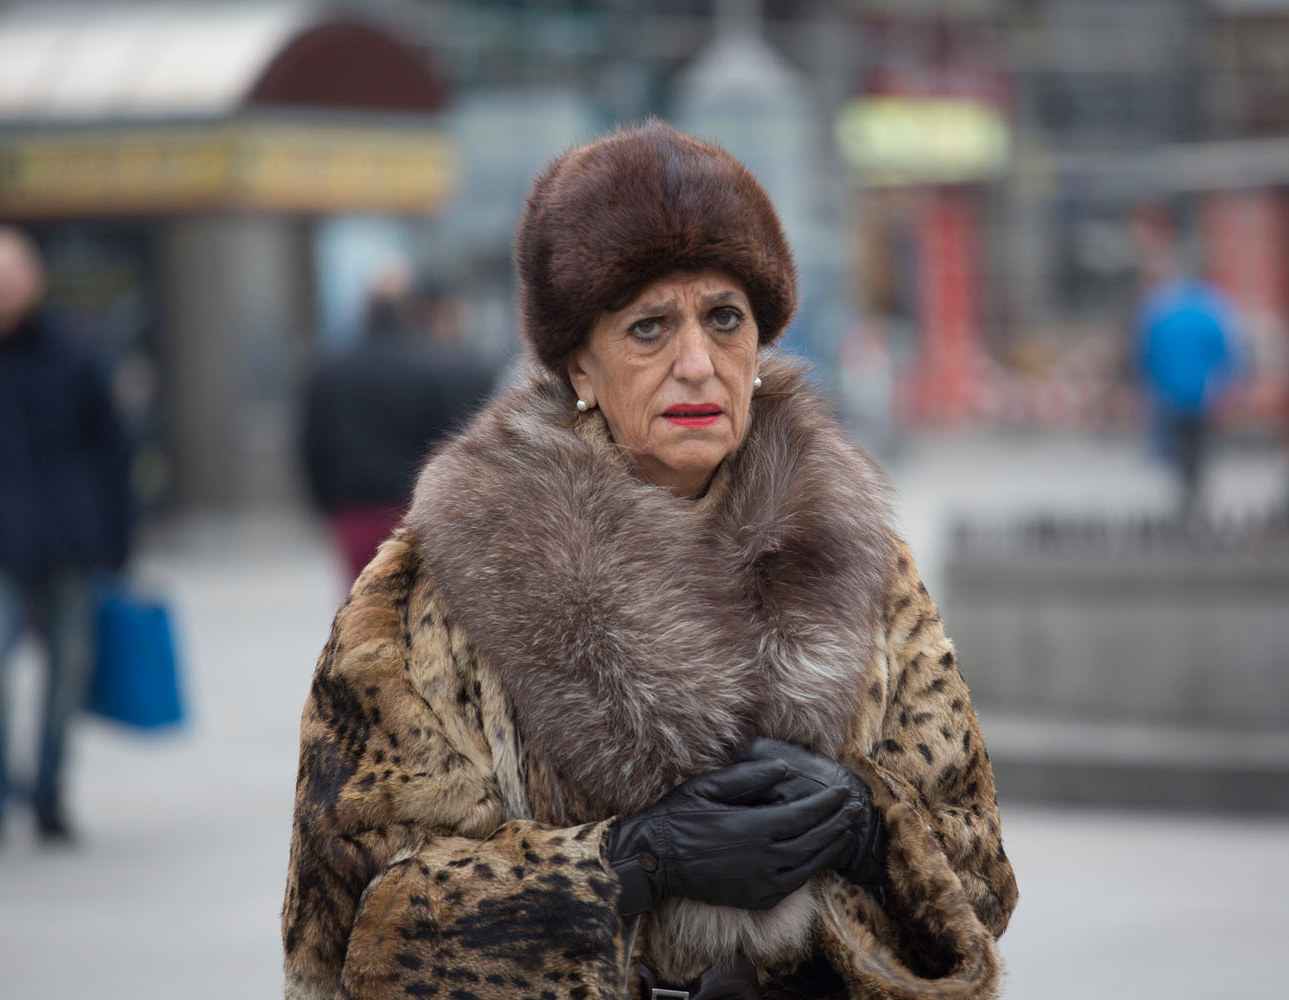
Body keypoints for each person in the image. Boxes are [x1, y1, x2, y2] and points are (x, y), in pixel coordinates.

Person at [281, 122, 1017, 1000]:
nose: (697, 365)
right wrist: (630, 866)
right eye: (649, 328)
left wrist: (868, 831)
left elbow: (980, 886)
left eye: (725, 319)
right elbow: (363, 942)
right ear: (578, 364)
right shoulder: (428, 596)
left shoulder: (862, 562)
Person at [0, 226, 131, 850]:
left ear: (31, 280)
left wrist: (118, 545)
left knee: (67, 673)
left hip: (68, 539)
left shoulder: (76, 354)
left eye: (1, 283)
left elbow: (113, 452)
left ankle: (49, 795)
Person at [299, 265, 496, 584]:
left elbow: (312, 445)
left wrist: (326, 505)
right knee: (411, 603)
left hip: (352, 511)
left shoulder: (328, 371)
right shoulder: (431, 367)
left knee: (360, 600)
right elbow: (445, 440)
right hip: (409, 508)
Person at [1135, 269, 1239, 516]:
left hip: (1172, 390)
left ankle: (1184, 482)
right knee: (1199, 439)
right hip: (1203, 391)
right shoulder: (1211, 314)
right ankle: (1196, 482)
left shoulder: (1163, 315)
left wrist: (1154, 383)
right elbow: (1224, 353)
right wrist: (1225, 384)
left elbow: (1149, 353)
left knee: (1179, 438)